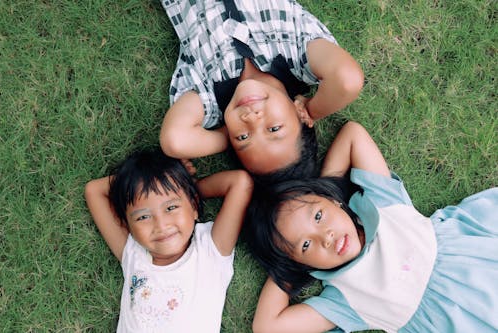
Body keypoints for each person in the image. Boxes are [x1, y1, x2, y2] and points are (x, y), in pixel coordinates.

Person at [244, 121, 498, 332]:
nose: (326, 237)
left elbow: (353, 134)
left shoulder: (382, 205)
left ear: (334, 203)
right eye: (306, 244)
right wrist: (286, 270)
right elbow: (267, 327)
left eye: (319, 216)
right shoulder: (343, 299)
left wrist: (326, 188)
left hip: (479, 268)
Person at [159, 0, 364, 182]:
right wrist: (311, 109)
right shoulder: (297, 56)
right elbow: (347, 81)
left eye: (243, 137)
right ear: (300, 118)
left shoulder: (209, 94)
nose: (252, 119)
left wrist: (228, 135)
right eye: (274, 129)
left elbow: (174, 140)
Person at [84, 149, 253, 332]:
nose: (161, 225)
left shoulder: (210, 249)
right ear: (128, 225)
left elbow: (240, 183)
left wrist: (184, 186)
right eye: (143, 217)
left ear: (194, 206)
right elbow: (94, 191)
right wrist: (138, 180)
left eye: (171, 207)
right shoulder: (133, 253)